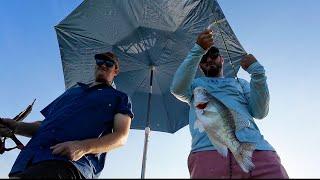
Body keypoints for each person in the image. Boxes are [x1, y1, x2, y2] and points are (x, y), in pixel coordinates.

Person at [170, 29, 288, 179]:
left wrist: (258, 73)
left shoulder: (240, 83)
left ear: (222, 59)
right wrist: (198, 50)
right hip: (207, 153)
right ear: (200, 65)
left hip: (256, 149)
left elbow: (259, 112)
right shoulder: (194, 86)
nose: (209, 60)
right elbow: (176, 88)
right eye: (204, 58)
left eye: (214, 56)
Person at [0, 52, 134, 179]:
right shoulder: (72, 92)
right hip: (27, 161)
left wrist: (83, 147)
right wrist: (16, 126)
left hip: (68, 164)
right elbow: (45, 125)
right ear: (95, 65)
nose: (103, 65)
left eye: (109, 63)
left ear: (116, 71)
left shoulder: (120, 98)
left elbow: (121, 137)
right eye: (100, 61)